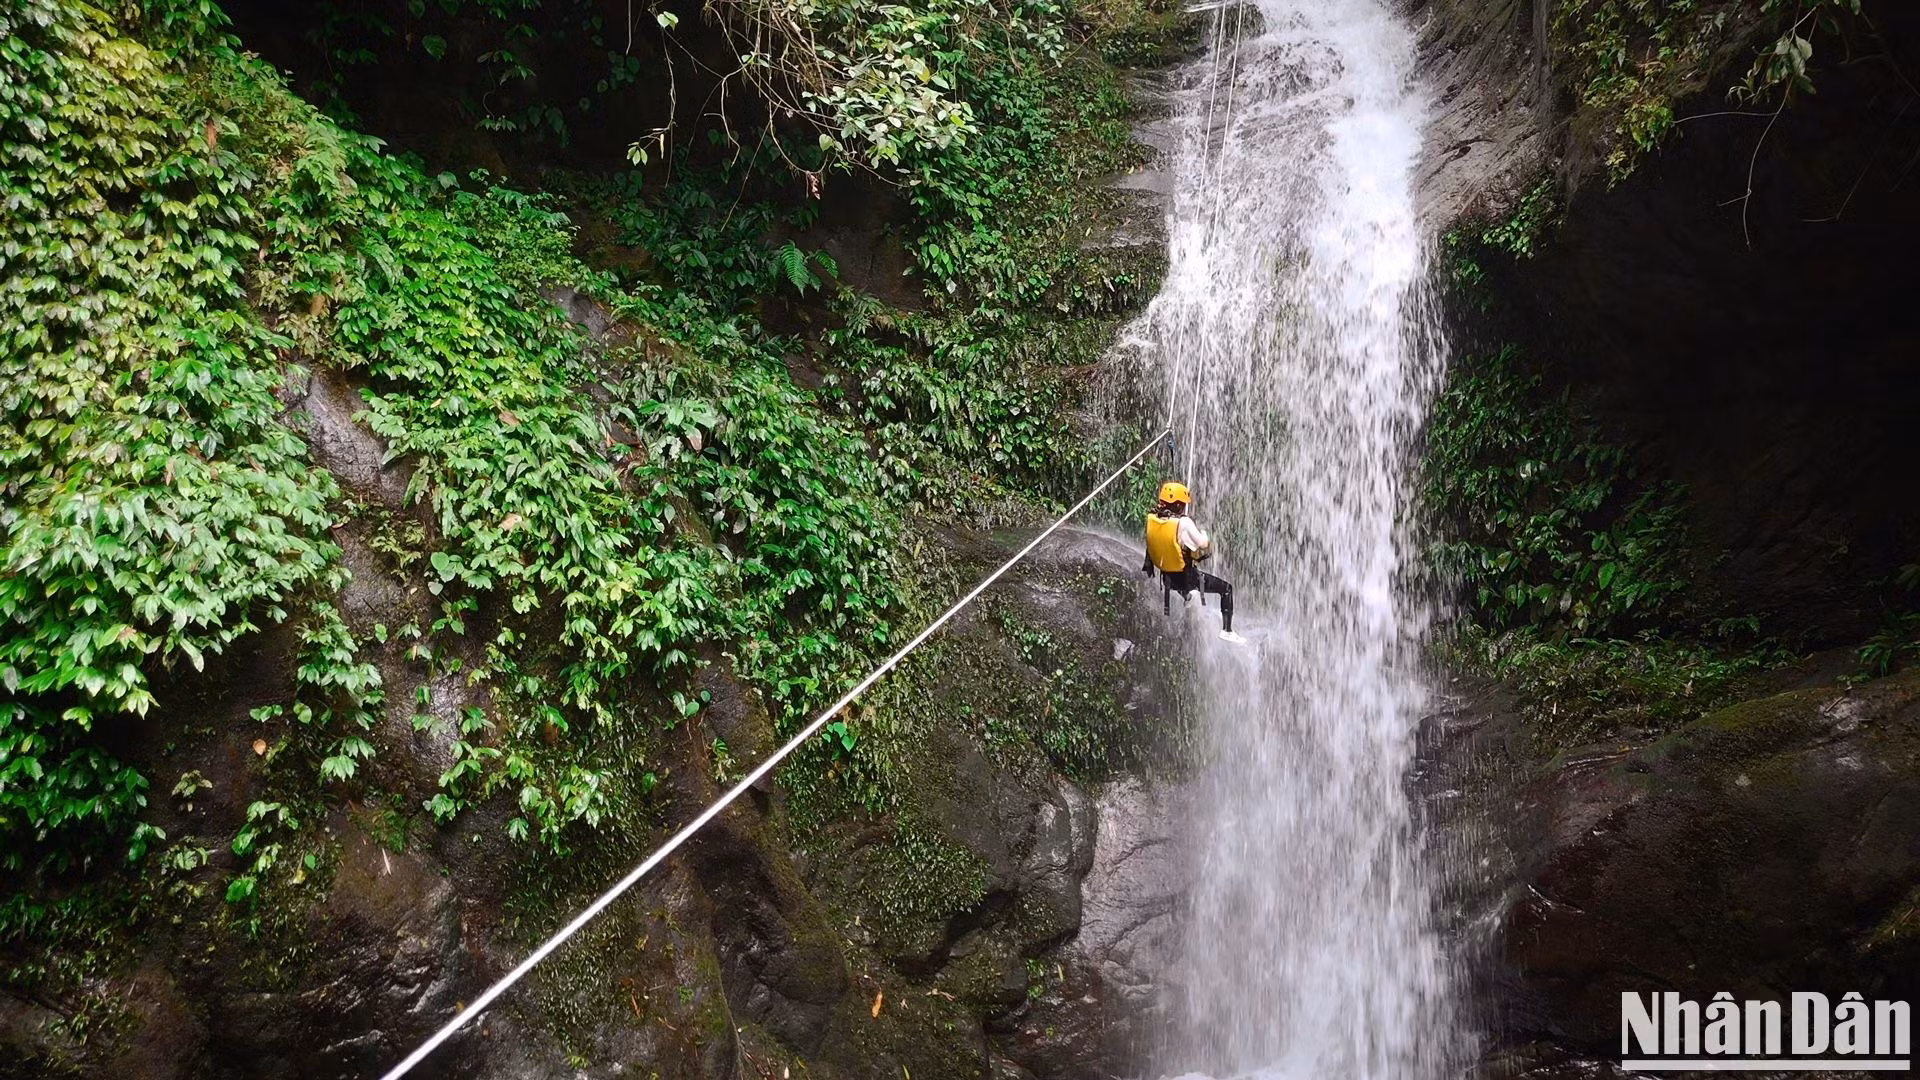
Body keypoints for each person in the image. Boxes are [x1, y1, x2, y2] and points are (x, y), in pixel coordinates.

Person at [1142, 481, 1244, 644]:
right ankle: (1227, 630)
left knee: (1190, 593)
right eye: (1182, 504)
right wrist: (1204, 533)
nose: (1184, 507)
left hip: (1167, 578)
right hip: (1186, 578)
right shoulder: (1183, 523)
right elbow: (1202, 544)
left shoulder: (1153, 518)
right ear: (1177, 505)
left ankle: (1190, 598)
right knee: (1226, 589)